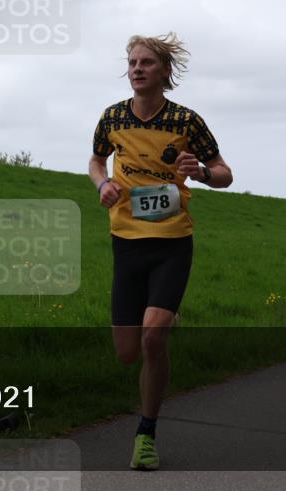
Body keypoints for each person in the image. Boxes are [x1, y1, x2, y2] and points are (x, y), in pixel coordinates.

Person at [89, 33, 233, 471]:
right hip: (126, 242)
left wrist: (202, 171)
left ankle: (146, 434)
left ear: (165, 71)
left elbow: (225, 173)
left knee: (153, 340)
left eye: (146, 62)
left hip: (172, 241)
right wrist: (102, 183)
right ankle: (165, 315)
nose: (137, 69)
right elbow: (95, 160)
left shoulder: (187, 121)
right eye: (133, 62)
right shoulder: (112, 117)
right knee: (127, 352)